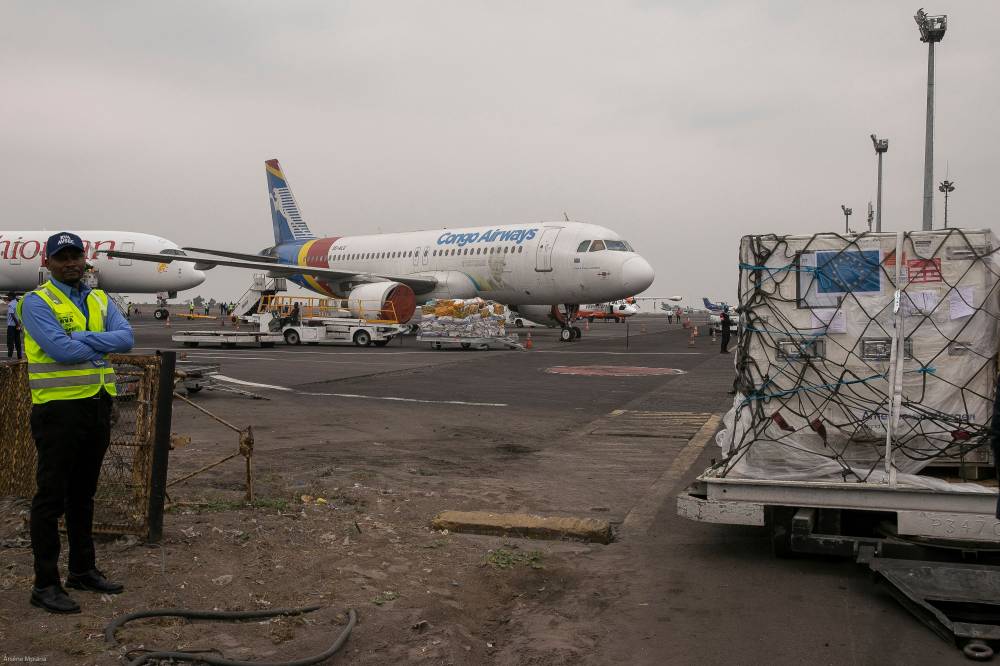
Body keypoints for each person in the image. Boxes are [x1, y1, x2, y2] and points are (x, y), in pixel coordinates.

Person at [18, 232, 134, 614]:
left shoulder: (100, 298)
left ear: (85, 259)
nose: (70, 263)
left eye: (75, 256)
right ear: (48, 263)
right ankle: (45, 584)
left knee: (83, 495)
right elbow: (60, 351)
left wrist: (82, 336)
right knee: (50, 498)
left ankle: (82, 570)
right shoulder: (35, 302)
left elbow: (127, 340)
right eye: (61, 257)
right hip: (58, 412)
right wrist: (100, 342)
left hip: (97, 407)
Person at [6, 292, 22, 359]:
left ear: (11, 297)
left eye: (8, 296)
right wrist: (19, 325)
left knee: (10, 342)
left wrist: (17, 324)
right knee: (18, 341)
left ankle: (10, 356)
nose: (8, 298)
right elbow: (20, 314)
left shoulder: (11, 304)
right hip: (17, 326)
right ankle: (19, 356)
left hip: (11, 326)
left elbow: (12, 315)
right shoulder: (18, 303)